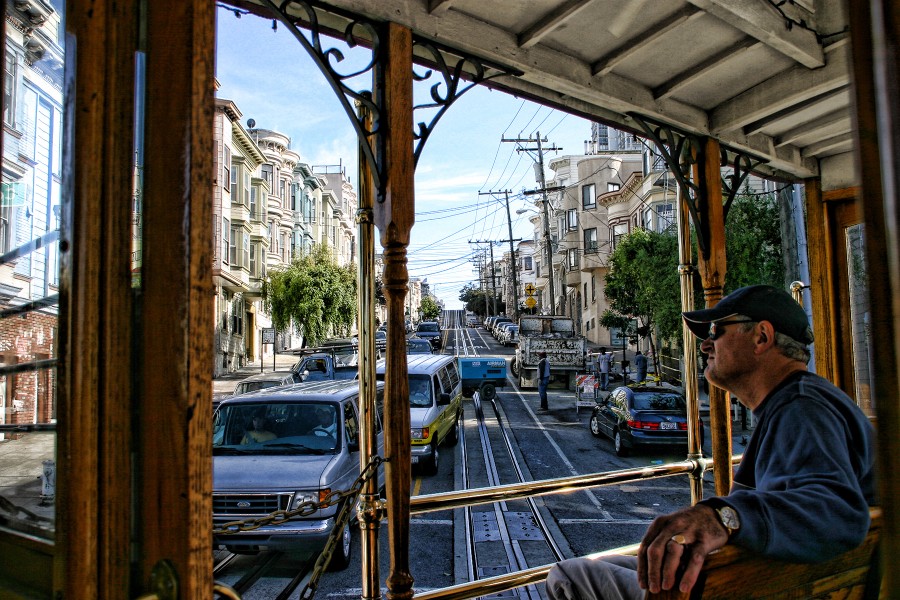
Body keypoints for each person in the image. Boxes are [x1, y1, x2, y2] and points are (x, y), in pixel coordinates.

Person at [546, 284, 876, 599]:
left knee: (567, 575)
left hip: (745, 587)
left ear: (761, 337)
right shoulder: (800, 402)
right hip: (756, 578)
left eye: (716, 332)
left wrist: (722, 516)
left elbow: (834, 513)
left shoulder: (801, 411)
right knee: (609, 565)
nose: (706, 345)